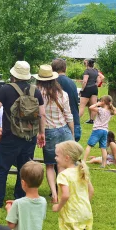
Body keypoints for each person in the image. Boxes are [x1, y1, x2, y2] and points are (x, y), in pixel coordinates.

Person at [0, 61, 45, 208]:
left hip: (9, 136)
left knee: (2, 169)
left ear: (13, 74)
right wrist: (41, 133)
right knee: (25, 170)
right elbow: (42, 115)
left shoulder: (5, 89)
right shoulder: (36, 91)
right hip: (29, 137)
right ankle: (19, 200)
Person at [35, 65, 74, 203]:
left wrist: (40, 132)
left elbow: (39, 115)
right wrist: (72, 134)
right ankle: (64, 191)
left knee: (50, 165)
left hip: (49, 131)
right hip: (64, 129)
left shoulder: (37, 94)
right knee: (63, 164)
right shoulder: (63, 94)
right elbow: (69, 116)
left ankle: (54, 194)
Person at [52, 59, 81, 142]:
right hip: (75, 120)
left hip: (64, 124)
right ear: (65, 68)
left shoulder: (55, 82)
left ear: (52, 69)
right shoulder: (71, 82)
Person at [85, 95, 116, 168]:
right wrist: (111, 105)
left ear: (103, 102)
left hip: (97, 130)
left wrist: (97, 104)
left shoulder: (100, 110)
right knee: (103, 148)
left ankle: (83, 161)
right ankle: (103, 164)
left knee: (89, 145)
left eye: (101, 101)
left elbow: (91, 107)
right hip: (105, 131)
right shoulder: (110, 111)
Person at [78, 59, 102, 123]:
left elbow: (85, 81)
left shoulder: (87, 71)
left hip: (87, 89)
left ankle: (76, 120)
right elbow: (99, 80)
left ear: (87, 64)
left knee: (82, 106)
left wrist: (82, 90)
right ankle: (91, 120)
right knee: (93, 105)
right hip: (94, 89)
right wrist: (95, 85)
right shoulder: (96, 71)